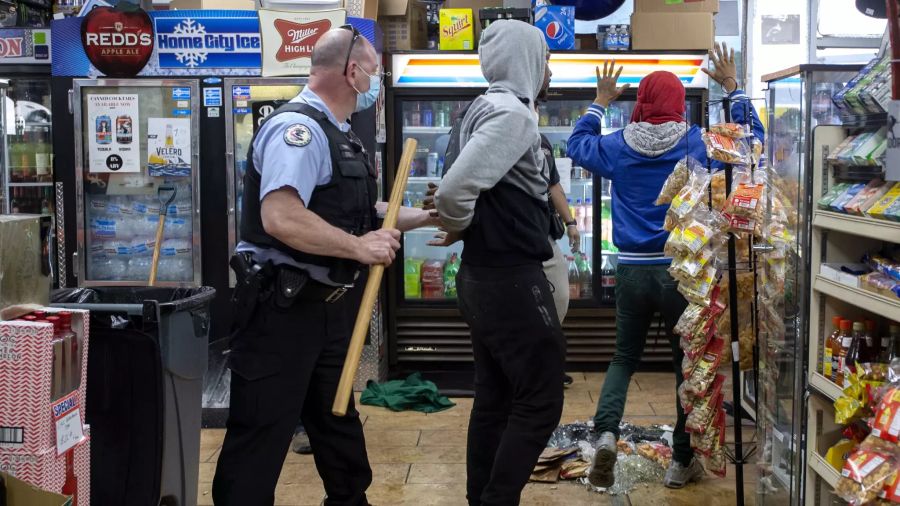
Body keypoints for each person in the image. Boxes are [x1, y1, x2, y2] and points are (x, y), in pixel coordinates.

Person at [212, 26, 439, 505]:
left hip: (328, 314)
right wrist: (360, 249)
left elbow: (358, 213)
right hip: (282, 314)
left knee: (338, 432)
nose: (377, 85)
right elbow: (282, 216)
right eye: (374, 72)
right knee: (261, 435)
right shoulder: (298, 131)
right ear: (352, 72)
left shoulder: (340, 135)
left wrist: (426, 217)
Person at [566, 43, 764, 490]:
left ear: (641, 103)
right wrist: (732, 87)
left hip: (632, 271)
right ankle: (680, 461)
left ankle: (606, 436)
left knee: (623, 358)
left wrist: (599, 102)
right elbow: (751, 143)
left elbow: (576, 145)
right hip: (683, 271)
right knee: (686, 363)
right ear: (677, 104)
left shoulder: (617, 145)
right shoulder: (696, 141)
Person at [430, 20, 566, 505]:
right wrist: (462, 222)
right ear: (527, 59)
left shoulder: (480, 107)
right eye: (543, 57)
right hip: (510, 277)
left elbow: (461, 184)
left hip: (481, 277)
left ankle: (480, 497)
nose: (547, 68)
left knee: (495, 397)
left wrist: (467, 229)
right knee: (542, 398)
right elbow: (453, 189)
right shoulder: (514, 115)